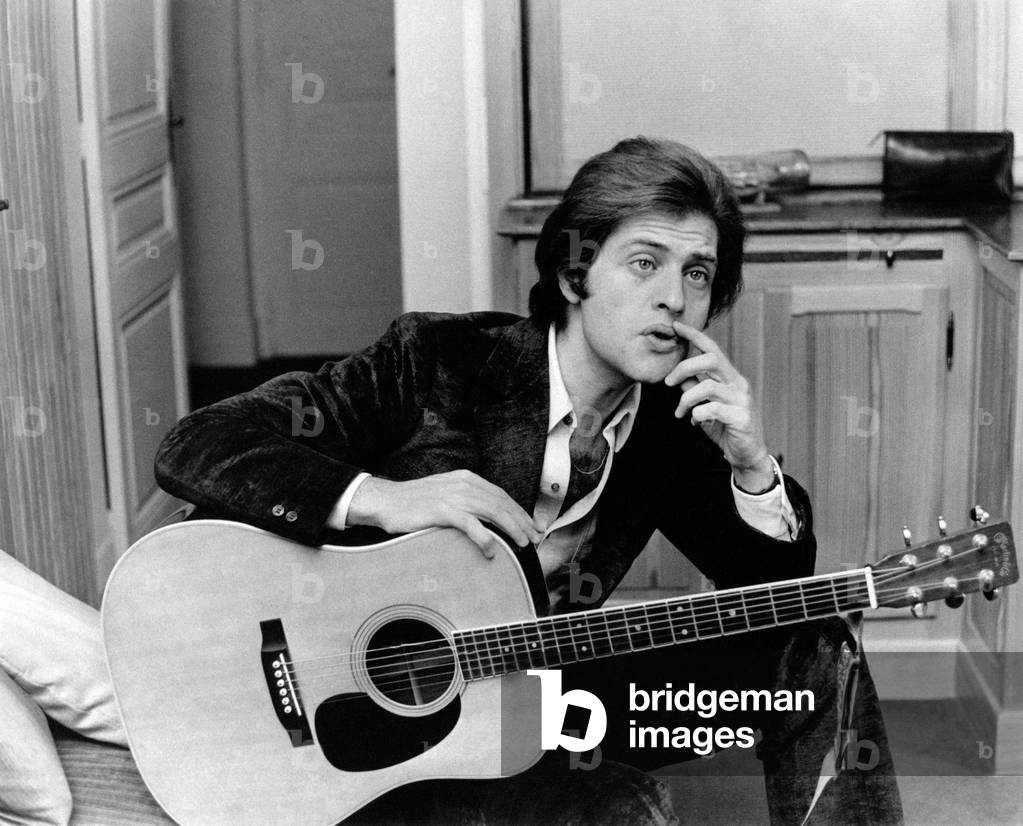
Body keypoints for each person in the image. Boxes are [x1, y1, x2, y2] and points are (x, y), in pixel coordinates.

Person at [0, 137, 903, 825]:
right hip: (379, 713)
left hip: (539, 689)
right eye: (645, 263)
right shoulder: (437, 359)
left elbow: (776, 594)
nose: (675, 298)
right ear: (574, 269)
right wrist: (380, 497)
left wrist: (751, 464)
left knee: (813, 645)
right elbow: (202, 441)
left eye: (697, 274)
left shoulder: (675, 427)